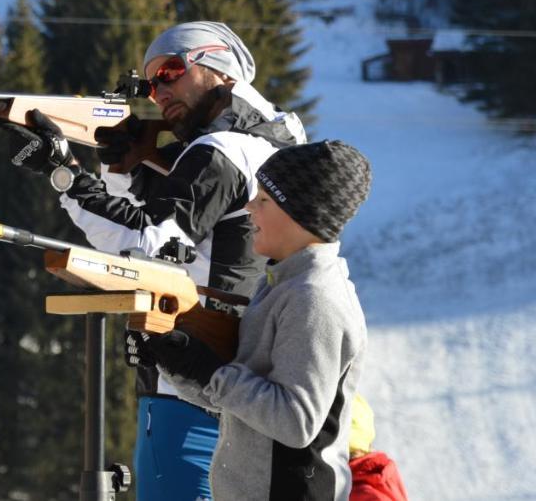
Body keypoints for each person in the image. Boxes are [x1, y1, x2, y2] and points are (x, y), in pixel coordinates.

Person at [9, 21, 306, 501]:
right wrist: (121, 167)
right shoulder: (269, 148)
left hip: (185, 384)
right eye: (150, 84)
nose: (158, 92)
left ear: (220, 68)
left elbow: (147, 247)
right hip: (240, 379)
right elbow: (171, 231)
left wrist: (63, 172)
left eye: (171, 71)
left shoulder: (219, 153)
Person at [142, 140, 372, 501]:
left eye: (263, 199)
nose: (249, 208)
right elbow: (242, 403)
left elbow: (295, 421)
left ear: (302, 215)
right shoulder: (281, 285)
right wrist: (175, 362)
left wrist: (211, 373)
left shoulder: (313, 298)